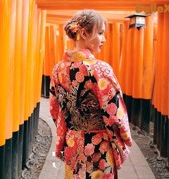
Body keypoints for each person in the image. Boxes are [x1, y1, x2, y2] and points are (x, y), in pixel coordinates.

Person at [49, 9, 132, 179]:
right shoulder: (100, 69)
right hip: (99, 145)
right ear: (84, 34)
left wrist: (68, 132)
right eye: (100, 33)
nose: (104, 39)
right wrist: (122, 139)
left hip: (73, 142)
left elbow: (55, 110)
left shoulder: (58, 69)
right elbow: (115, 113)